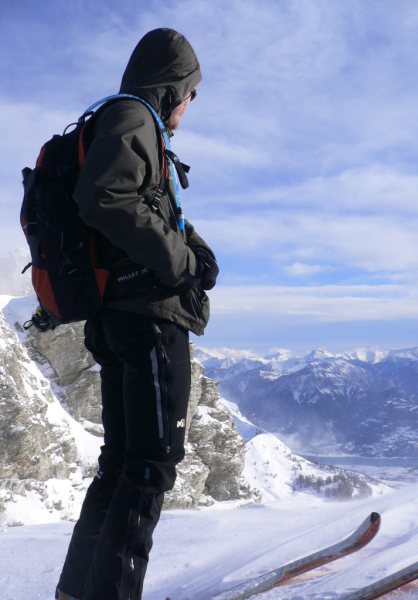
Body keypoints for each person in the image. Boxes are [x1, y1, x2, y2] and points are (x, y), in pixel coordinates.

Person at [56, 28, 218, 600]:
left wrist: (194, 252)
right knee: (149, 465)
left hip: (118, 317)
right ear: (175, 89)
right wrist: (180, 265)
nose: (191, 106)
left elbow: (133, 203)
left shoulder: (120, 120)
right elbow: (105, 197)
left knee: (123, 462)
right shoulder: (133, 118)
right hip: (147, 319)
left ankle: (79, 592)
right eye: (192, 93)